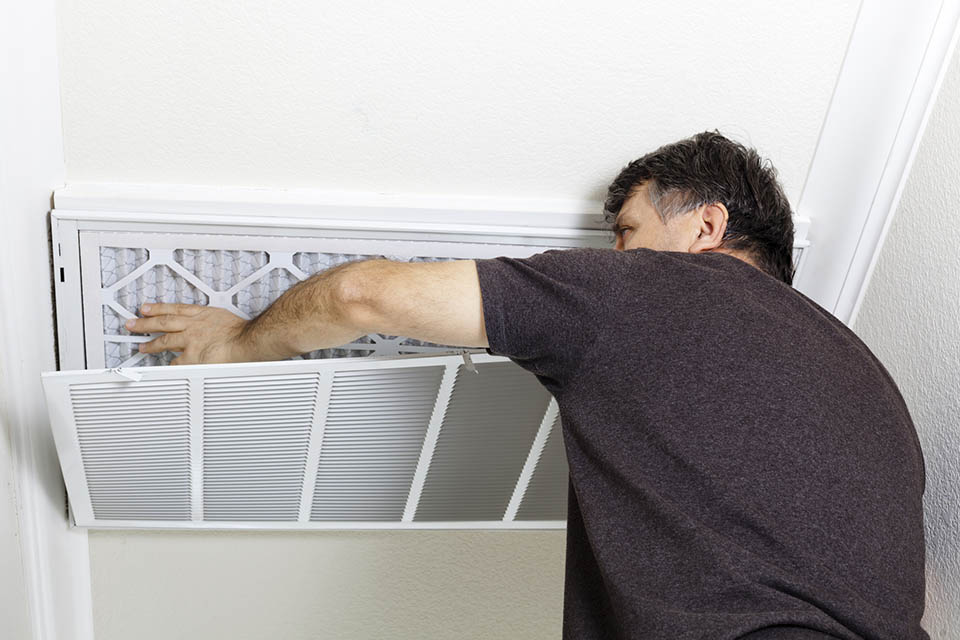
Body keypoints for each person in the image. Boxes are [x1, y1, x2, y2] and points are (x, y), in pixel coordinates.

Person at [125, 131, 928, 639]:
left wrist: (239, 344)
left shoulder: (649, 290)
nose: (619, 259)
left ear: (706, 226)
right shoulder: (871, 381)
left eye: (628, 234)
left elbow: (359, 295)